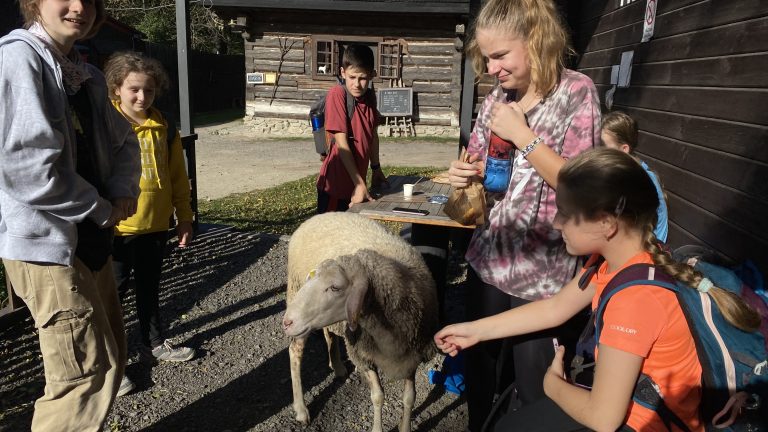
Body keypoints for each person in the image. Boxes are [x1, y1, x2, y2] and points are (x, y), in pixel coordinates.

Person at [436, 148, 761, 431]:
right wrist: (473, 330)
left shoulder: (635, 299)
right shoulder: (621, 261)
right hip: (633, 401)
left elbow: (604, 418)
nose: (556, 223)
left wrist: (553, 386)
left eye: (566, 213)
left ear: (606, 223)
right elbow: (555, 308)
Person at [446, 0, 601, 429]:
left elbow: (582, 185)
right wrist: (466, 173)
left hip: (544, 275)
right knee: (480, 379)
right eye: (486, 57)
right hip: (488, 261)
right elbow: (481, 166)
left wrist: (523, 137)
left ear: (536, 42)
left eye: (500, 55)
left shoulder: (576, 93)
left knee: (535, 392)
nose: (492, 68)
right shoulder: (496, 100)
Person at [0, 0, 141, 430]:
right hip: (46, 246)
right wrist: (100, 207)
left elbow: (124, 143)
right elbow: (26, 169)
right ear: (34, 3)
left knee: (110, 354)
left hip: (89, 239)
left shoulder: (86, 74)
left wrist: (120, 191)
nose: (80, 6)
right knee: (82, 377)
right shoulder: (18, 58)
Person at [103, 51, 196, 396]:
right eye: (134, 90)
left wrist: (183, 217)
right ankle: (113, 363)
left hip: (156, 226)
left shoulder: (163, 125)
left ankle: (153, 343)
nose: (142, 98)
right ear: (116, 89)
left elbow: (176, 176)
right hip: (116, 230)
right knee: (112, 299)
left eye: (150, 91)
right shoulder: (106, 124)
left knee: (149, 289)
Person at [316, 44, 387, 213]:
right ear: (342, 73)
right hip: (335, 187)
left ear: (372, 75)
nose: (357, 84)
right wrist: (360, 184)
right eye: (352, 77)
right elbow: (341, 143)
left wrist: (376, 168)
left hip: (357, 188)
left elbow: (373, 136)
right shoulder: (337, 94)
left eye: (362, 78)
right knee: (329, 237)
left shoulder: (369, 97)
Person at [601, 110, 668, 242]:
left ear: (624, 149)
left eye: (603, 146)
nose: (597, 150)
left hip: (651, 249)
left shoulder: (639, 180)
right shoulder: (623, 172)